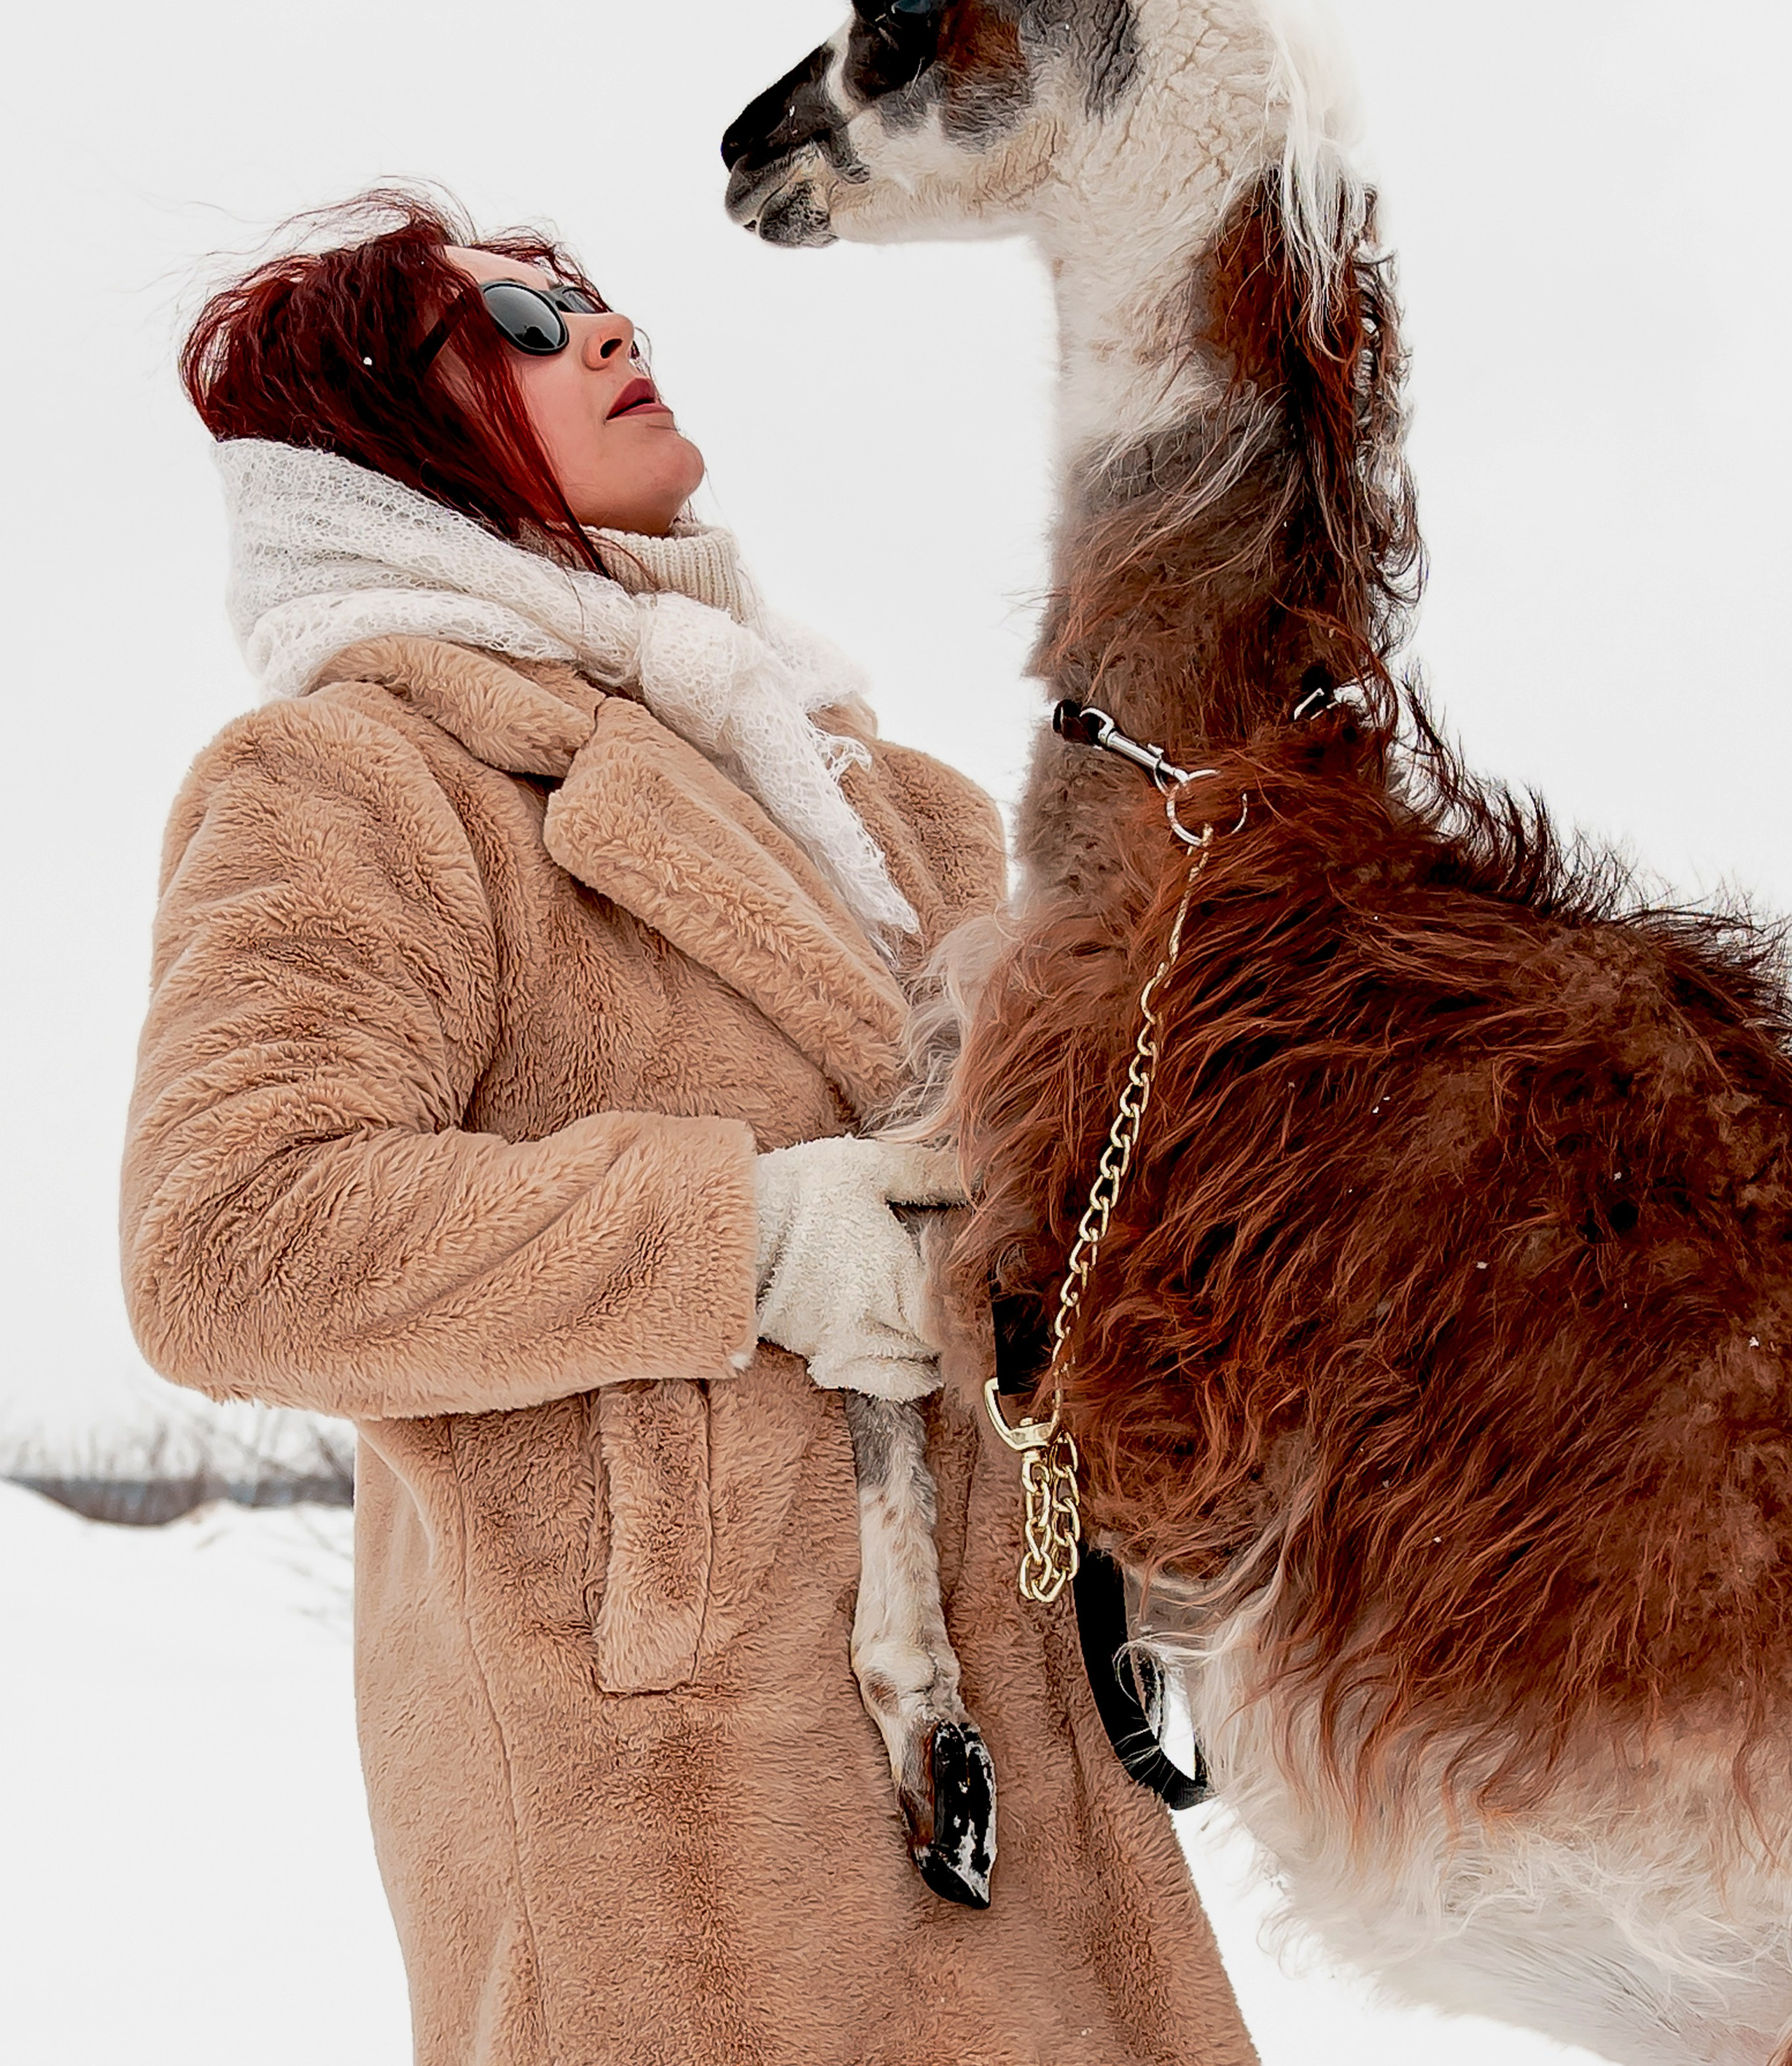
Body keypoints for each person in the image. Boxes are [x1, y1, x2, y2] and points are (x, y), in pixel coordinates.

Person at [121, 191, 1255, 2066]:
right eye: (519, 318)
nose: (608, 328)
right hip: (671, 1832)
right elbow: (230, 1242)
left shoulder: (909, 809)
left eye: (597, 293)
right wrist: (748, 1238)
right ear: (387, 442)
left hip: (1036, 1790)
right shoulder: (351, 777)